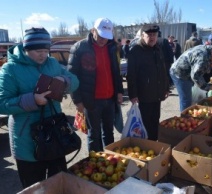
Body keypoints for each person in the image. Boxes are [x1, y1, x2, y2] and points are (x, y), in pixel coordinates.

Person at [0, 27, 79, 188]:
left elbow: (75, 81)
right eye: (37, 51)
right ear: (26, 48)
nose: (43, 55)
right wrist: (33, 100)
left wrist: (64, 81)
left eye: (45, 50)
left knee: (58, 184)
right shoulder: (10, 69)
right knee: (35, 188)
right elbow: (2, 103)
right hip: (27, 141)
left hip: (55, 135)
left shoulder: (52, 63)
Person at [68, 18, 124, 152]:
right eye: (100, 36)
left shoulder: (112, 47)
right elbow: (71, 76)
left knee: (109, 133)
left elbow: (116, 71)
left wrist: (119, 91)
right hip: (91, 101)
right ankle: (95, 164)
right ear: (93, 30)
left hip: (109, 99)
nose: (103, 40)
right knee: (94, 135)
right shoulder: (80, 48)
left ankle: (110, 161)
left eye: (106, 37)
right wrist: (77, 101)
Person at [127, 24, 169, 141]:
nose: (152, 38)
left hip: (157, 94)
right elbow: (131, 75)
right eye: (149, 35)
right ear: (142, 35)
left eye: (154, 35)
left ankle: (153, 144)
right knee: (145, 122)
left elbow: (162, 69)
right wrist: (133, 95)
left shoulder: (158, 48)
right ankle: (145, 145)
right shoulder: (136, 51)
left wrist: (166, 88)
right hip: (143, 95)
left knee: (155, 120)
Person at [169, 44, 212, 111]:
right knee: (186, 99)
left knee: (190, 96)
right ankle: (185, 118)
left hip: (187, 72)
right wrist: (207, 87)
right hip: (179, 73)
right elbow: (195, 76)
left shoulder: (209, 50)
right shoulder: (202, 57)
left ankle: (189, 114)